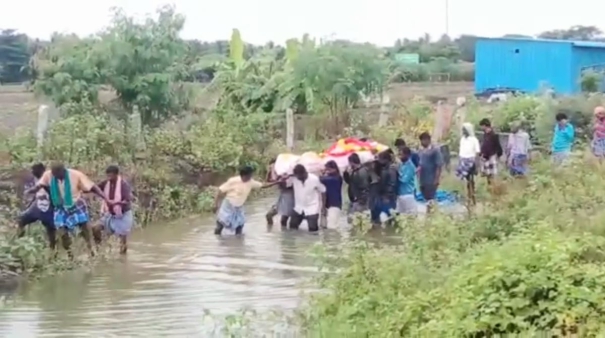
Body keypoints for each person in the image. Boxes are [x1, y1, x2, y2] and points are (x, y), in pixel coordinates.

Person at [25, 162, 110, 257]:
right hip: (60, 207)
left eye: (59, 175)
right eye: (55, 176)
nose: (57, 178)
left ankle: (91, 249)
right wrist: (31, 190)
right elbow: (40, 185)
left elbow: (92, 186)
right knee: (62, 232)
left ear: (64, 171)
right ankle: (70, 254)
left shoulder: (75, 175)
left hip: (75, 203)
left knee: (85, 227)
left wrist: (105, 197)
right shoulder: (48, 175)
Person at [213, 166, 280, 236]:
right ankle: (217, 239)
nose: (251, 177)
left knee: (240, 225)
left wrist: (276, 182)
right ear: (244, 175)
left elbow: (263, 185)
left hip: (239, 207)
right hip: (228, 206)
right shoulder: (233, 181)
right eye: (250, 175)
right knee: (220, 225)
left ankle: (238, 243)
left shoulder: (251, 182)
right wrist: (216, 204)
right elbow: (220, 190)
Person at [92, 165, 134, 254]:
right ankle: (100, 250)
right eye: (107, 175)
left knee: (122, 242)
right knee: (96, 228)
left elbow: (127, 200)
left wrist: (115, 203)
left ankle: (123, 260)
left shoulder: (123, 184)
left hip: (123, 215)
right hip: (110, 214)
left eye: (111, 176)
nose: (109, 178)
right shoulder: (106, 183)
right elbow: (95, 188)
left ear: (116, 175)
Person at [17, 163, 55, 249]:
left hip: (48, 208)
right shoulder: (37, 179)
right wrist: (30, 203)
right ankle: (19, 244)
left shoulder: (49, 179)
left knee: (51, 231)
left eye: (33, 170)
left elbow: (53, 194)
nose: (32, 172)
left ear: (41, 171)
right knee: (21, 220)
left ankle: (53, 250)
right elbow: (37, 193)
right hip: (37, 206)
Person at [288, 164, 326, 232]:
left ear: (304, 173)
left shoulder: (314, 179)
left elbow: (323, 191)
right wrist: (283, 178)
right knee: (292, 227)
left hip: (312, 207)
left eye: (299, 176)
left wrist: (323, 206)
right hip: (298, 207)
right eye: (296, 176)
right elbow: (285, 185)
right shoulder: (294, 178)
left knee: (313, 230)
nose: (298, 178)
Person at [417, 132, 443, 213]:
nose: (422, 143)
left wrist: (436, 179)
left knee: (430, 198)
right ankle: (429, 213)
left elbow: (439, 165)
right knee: (425, 197)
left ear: (428, 140)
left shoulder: (435, 151)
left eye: (423, 140)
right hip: (423, 179)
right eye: (421, 141)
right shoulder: (421, 151)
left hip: (431, 178)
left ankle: (431, 214)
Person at [265, 159, 294, 229]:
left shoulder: (288, 173)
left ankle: (286, 235)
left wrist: (279, 181)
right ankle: (270, 230)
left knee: (283, 220)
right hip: (282, 197)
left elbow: (286, 185)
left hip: (290, 198)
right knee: (269, 216)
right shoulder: (278, 174)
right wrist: (270, 171)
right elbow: (268, 181)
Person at [370, 151, 398, 225]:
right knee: (379, 217)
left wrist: (387, 196)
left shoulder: (391, 169)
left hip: (388, 197)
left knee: (391, 217)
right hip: (382, 196)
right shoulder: (383, 168)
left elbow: (392, 184)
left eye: (380, 159)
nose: (379, 161)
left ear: (386, 160)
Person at [456, 123, 481, 205]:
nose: (463, 131)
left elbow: (477, 153)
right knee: (466, 180)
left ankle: (472, 196)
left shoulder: (474, 140)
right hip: (463, 160)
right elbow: (461, 150)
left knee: (471, 179)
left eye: (464, 129)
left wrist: (477, 165)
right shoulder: (462, 139)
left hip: (471, 161)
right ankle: (469, 196)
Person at [343, 153, 371, 219]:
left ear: (352, 162)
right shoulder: (354, 171)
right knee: (351, 218)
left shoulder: (362, 172)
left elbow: (365, 186)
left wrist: (362, 199)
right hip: (355, 198)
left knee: (357, 218)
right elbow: (350, 182)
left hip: (360, 199)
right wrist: (346, 174)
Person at [319, 160, 343, 229]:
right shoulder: (331, 177)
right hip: (327, 204)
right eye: (326, 169)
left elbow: (323, 180)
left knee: (331, 227)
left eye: (328, 169)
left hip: (334, 204)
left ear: (334, 169)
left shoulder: (337, 178)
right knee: (324, 226)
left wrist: (321, 175)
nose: (327, 171)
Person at [479, 118, 503, 185]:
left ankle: (493, 186)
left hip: (491, 155)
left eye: (481, 126)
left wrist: (499, 154)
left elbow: (497, 145)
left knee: (492, 173)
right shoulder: (485, 134)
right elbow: (484, 145)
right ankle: (489, 185)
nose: (481, 127)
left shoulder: (493, 135)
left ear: (485, 125)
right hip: (485, 156)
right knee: (487, 173)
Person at [396, 146, 417, 215]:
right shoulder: (401, 165)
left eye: (401, 155)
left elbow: (404, 180)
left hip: (408, 194)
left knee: (410, 215)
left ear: (407, 155)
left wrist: (396, 172)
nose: (400, 157)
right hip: (400, 194)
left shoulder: (410, 166)